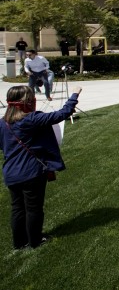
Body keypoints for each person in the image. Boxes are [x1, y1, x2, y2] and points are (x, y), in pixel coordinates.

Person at [1, 85, 81, 249]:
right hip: (31, 172)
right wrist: (74, 94)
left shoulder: (3, 123)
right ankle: (35, 240)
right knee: (33, 208)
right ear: (28, 101)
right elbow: (62, 114)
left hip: (11, 173)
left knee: (17, 208)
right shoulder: (31, 119)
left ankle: (19, 242)